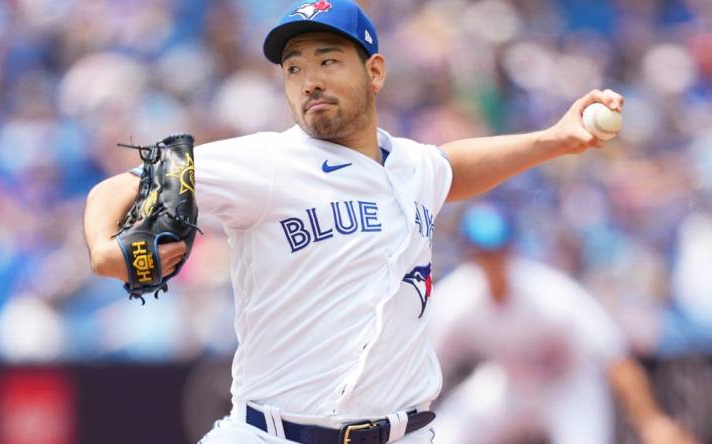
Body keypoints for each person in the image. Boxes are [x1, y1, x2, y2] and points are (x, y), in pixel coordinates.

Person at [83, 1, 625, 443]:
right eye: (294, 68)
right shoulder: (265, 163)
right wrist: (111, 250)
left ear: (375, 72)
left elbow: (454, 168)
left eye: (328, 60)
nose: (309, 80)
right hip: (272, 435)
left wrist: (554, 140)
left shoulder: (414, 166)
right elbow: (119, 187)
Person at [429, 203, 697, 444]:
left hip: (568, 386)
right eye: (484, 253)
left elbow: (614, 357)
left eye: (499, 250)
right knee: (440, 436)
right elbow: (426, 362)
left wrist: (651, 421)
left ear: (512, 249)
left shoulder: (548, 292)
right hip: (509, 383)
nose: (493, 260)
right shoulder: (458, 297)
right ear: (470, 254)